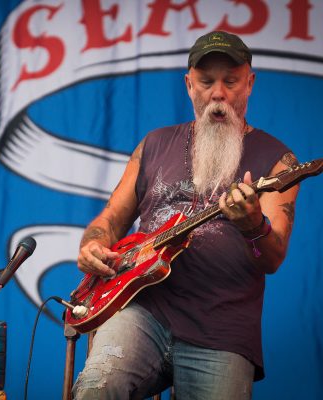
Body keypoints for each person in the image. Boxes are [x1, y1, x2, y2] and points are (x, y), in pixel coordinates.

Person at [72, 31, 299, 400]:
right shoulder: (154, 143)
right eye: (207, 82)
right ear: (189, 85)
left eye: (231, 81)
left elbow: (272, 259)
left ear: (250, 83)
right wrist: (93, 243)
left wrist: (253, 225)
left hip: (222, 329)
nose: (218, 94)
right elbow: (111, 219)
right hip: (142, 310)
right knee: (98, 388)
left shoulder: (279, 161)